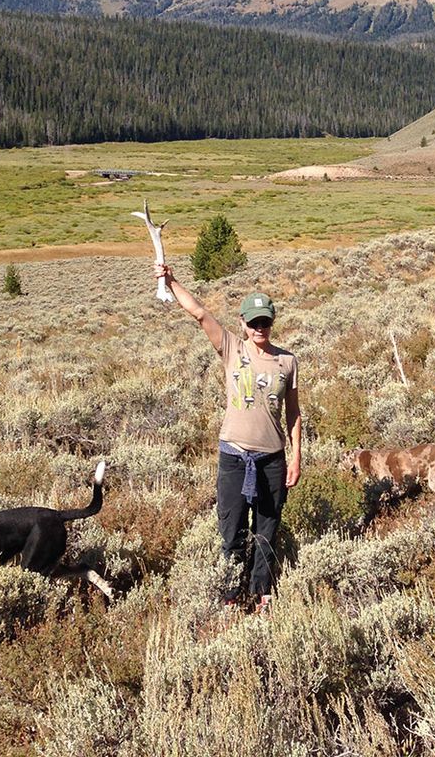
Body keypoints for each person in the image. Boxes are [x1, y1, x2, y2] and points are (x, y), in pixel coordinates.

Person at [154, 262, 301, 613]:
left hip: (271, 460)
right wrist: (170, 281)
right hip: (234, 457)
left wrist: (295, 458)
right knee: (231, 530)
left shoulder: (288, 362)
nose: (260, 328)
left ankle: (262, 593)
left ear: (272, 322)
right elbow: (200, 313)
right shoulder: (232, 348)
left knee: (267, 529)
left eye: (265, 321)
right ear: (243, 323)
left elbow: (294, 413)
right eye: (253, 322)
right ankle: (231, 595)